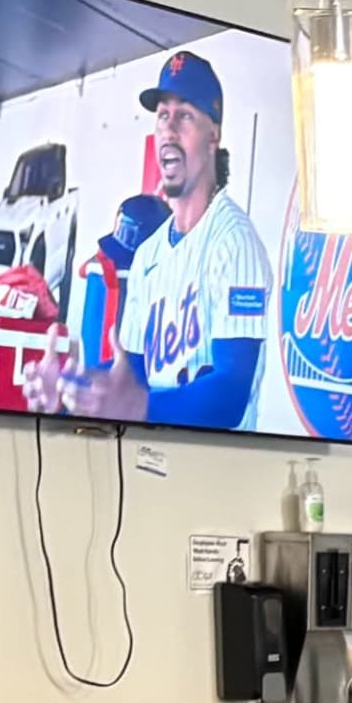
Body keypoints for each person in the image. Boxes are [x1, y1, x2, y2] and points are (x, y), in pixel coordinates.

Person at [39, 50, 269, 429]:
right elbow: (128, 379)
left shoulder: (234, 241)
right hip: (152, 454)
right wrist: (69, 394)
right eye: (162, 116)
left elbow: (231, 391)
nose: (168, 129)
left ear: (214, 136)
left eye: (184, 116)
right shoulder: (148, 254)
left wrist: (137, 408)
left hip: (221, 465)